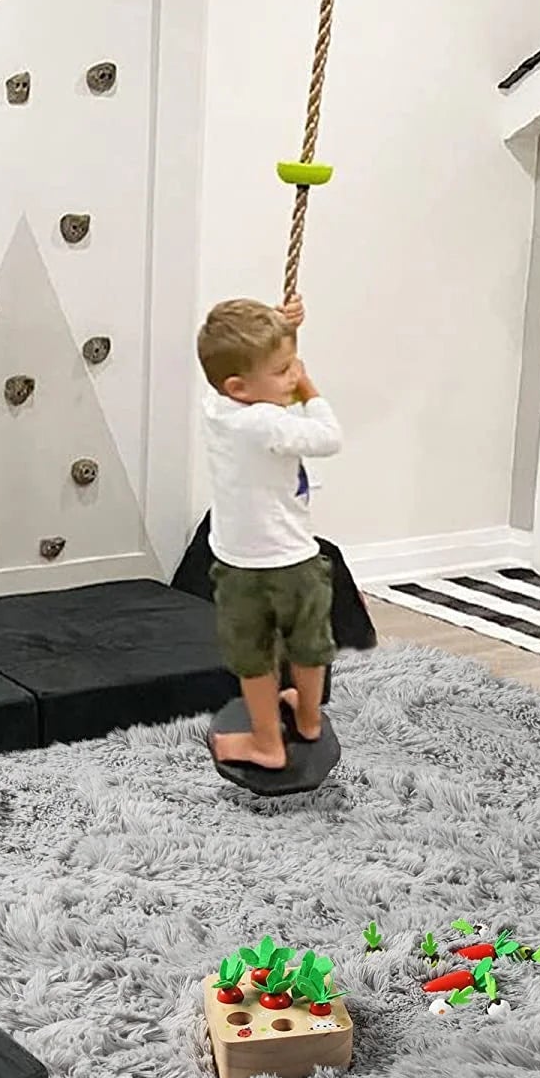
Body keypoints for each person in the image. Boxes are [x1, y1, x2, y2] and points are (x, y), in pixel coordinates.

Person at [196, 294, 342, 771]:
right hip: (295, 561)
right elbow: (329, 437)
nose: (293, 374)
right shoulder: (266, 423)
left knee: (253, 657)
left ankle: (265, 739)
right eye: (283, 371)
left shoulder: (218, 408)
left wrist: (281, 327)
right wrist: (308, 387)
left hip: (238, 564)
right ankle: (306, 721)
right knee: (308, 647)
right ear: (239, 387)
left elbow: (246, 358)